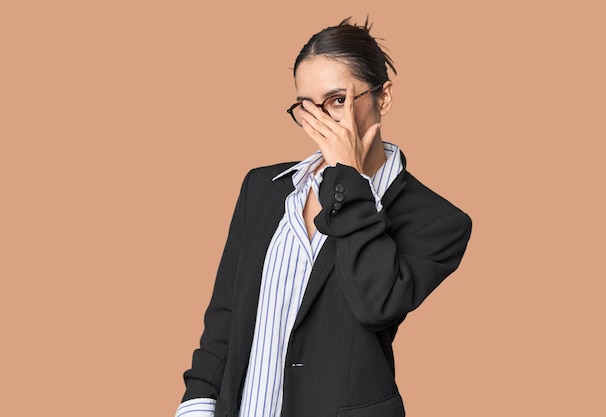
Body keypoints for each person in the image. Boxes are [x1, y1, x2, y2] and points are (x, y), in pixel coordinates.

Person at [175, 17, 472, 417]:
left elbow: (375, 304)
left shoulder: (438, 221)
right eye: (305, 106)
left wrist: (347, 176)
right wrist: (196, 404)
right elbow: (225, 313)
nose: (321, 122)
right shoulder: (263, 188)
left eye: (336, 101)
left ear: (382, 98)